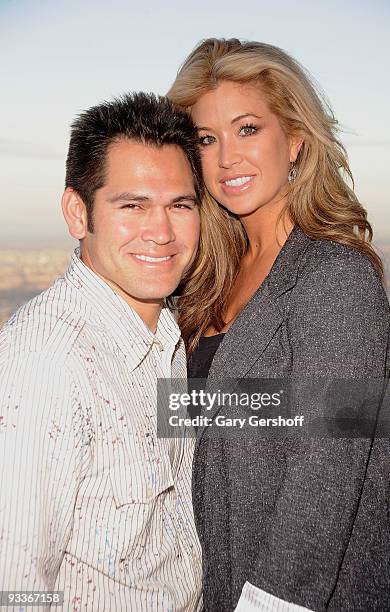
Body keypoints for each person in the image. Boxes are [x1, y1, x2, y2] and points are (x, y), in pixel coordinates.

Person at [168, 38, 390, 611]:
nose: (226, 157)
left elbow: (325, 478)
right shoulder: (203, 281)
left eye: (248, 129)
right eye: (206, 139)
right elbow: (190, 433)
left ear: (295, 139)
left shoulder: (335, 278)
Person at [0, 93, 203, 610]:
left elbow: (272, 415)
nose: (161, 232)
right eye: (132, 205)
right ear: (77, 212)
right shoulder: (46, 361)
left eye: (180, 205)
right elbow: (14, 584)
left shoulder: (164, 336)